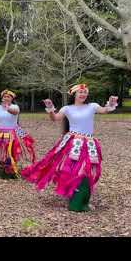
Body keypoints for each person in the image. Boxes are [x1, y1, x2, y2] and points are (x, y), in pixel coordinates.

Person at [21, 83, 118, 212]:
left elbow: (105, 110)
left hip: (88, 143)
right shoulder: (67, 108)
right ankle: (74, 196)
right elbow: (55, 118)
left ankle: (82, 199)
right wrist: (50, 108)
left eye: (85, 92)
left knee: (86, 170)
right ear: (74, 95)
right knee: (70, 169)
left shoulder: (92, 106)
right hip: (72, 143)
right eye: (80, 92)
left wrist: (111, 104)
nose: (83, 94)